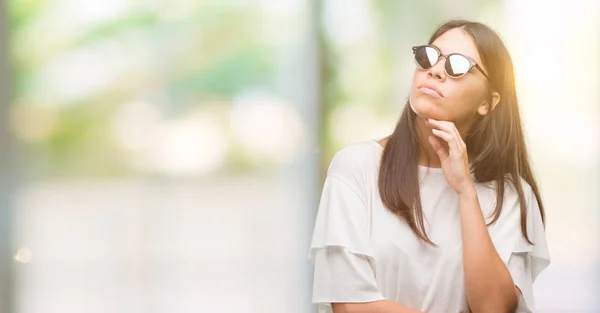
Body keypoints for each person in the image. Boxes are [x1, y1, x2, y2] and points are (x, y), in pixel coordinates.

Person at [307, 20, 550, 313]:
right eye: (429, 56)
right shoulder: (356, 167)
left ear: (488, 101)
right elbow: (349, 305)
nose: (434, 70)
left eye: (457, 66)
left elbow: (494, 308)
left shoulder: (510, 195)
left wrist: (465, 193)